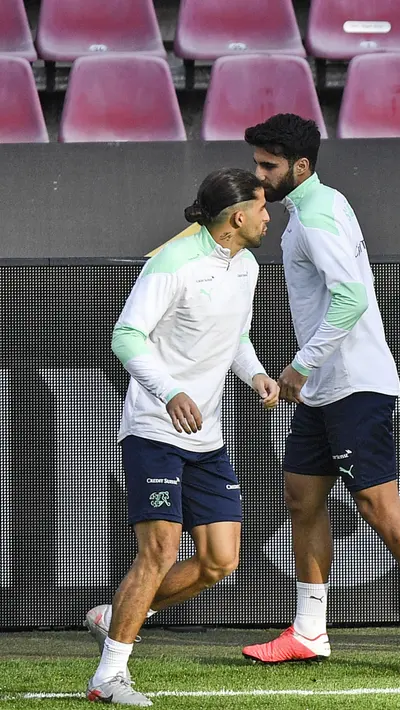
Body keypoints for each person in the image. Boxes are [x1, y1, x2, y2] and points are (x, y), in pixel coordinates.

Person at [238, 114, 400, 675]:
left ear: (300, 167)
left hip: (352, 383)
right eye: (257, 163)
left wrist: (299, 367)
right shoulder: (316, 207)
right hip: (329, 387)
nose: (260, 174)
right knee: (302, 496)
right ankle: (309, 630)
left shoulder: (317, 217)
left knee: (377, 503)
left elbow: (349, 300)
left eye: (268, 166)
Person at [85, 169, 278, 705]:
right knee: (161, 552)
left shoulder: (249, 266)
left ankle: (118, 612)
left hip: (208, 439)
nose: (269, 216)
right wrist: (169, 392)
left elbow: (236, 336)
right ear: (237, 217)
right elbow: (126, 334)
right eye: (263, 208)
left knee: (220, 561)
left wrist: (256, 373)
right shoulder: (173, 263)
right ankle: (109, 675)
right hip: (155, 429)